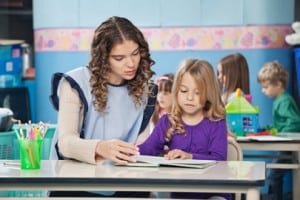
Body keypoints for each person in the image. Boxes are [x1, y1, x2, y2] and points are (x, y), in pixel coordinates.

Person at [49, 16, 156, 198]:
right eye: (119, 58)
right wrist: (100, 148)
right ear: (103, 58)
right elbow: (65, 143)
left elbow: (142, 147)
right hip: (77, 186)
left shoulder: (147, 90)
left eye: (135, 53)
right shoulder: (75, 83)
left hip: (125, 186)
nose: (131, 64)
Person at [138, 59, 231, 200]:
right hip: (180, 193)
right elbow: (149, 148)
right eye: (184, 90)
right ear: (176, 91)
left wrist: (190, 157)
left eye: (198, 92)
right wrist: (128, 150)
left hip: (213, 192)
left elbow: (219, 159)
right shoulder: (167, 122)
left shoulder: (216, 123)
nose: (189, 97)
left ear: (209, 93)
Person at [257, 61, 300, 200]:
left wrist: (280, 134)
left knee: (274, 174)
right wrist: (268, 129)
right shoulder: (280, 100)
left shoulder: (284, 101)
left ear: (278, 84)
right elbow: (281, 124)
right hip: (285, 143)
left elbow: (295, 122)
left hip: (288, 144)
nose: (263, 91)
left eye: (266, 87)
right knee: (274, 174)